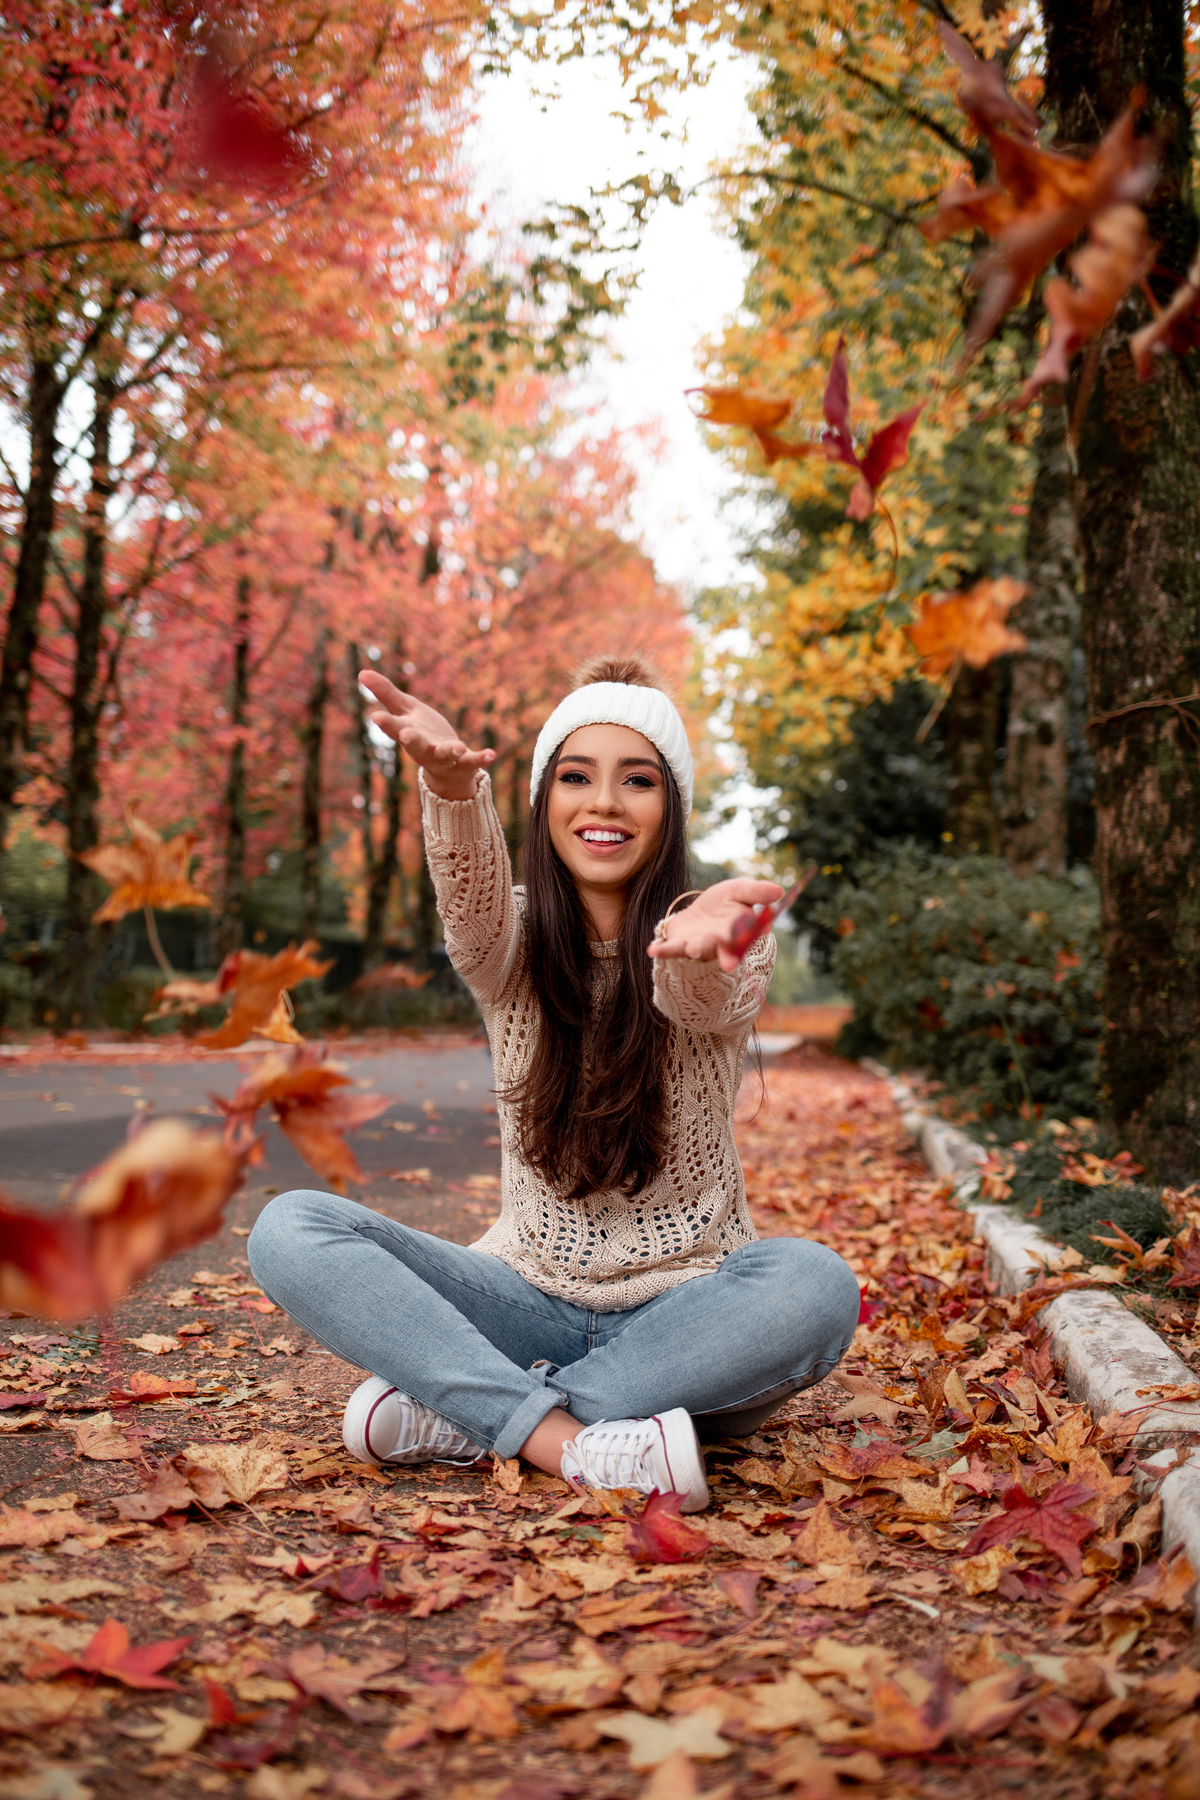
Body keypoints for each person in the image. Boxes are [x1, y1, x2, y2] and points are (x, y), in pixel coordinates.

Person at [247, 655, 860, 1512]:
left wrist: (708, 942)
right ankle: (577, 1443)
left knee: (815, 1285)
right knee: (290, 1227)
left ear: (668, 808)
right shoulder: (513, 944)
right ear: (545, 803)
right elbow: (470, 905)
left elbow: (694, 991)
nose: (604, 801)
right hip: (523, 1296)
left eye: (636, 780)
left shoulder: (714, 934)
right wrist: (453, 793)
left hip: (685, 1320)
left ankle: (473, 1414)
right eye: (576, 776)